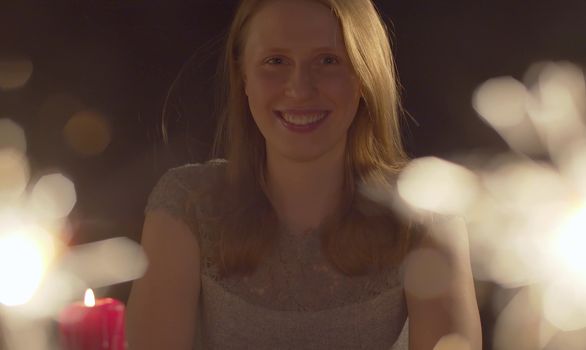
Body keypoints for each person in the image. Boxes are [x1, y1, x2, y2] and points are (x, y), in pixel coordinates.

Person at [126, 0, 482, 349]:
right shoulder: (185, 206)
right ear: (243, 76)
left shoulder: (426, 213)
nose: (299, 88)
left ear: (364, 76)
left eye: (328, 61)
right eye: (275, 61)